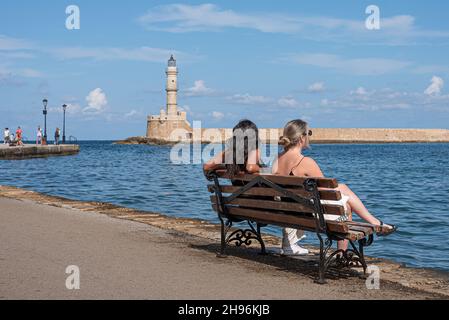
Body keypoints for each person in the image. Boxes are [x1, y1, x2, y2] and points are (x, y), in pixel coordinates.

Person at [272, 119, 397, 255]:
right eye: (309, 133)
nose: (309, 137)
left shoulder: (276, 159)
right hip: (305, 214)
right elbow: (327, 191)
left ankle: (375, 223)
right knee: (345, 204)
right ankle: (343, 252)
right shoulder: (306, 162)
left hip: (285, 211)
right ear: (302, 138)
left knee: (342, 191)